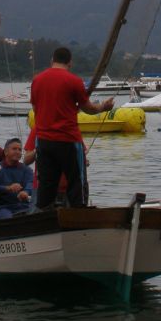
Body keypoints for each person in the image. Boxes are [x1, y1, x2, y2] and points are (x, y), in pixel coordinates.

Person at [29, 46, 112, 209]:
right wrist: (103, 107)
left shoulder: (37, 80)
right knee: (76, 182)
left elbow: (35, 108)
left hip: (44, 140)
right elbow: (88, 108)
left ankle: (43, 217)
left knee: (46, 182)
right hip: (67, 139)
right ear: (70, 63)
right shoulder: (74, 81)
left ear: (51, 60)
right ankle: (78, 215)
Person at [0, 138, 34, 219]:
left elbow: (31, 183)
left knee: (34, 214)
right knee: (6, 217)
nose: (18, 152)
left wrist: (26, 192)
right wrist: (8, 188)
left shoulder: (27, 170)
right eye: (14, 149)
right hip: (1, 208)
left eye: (19, 149)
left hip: (22, 206)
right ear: (5, 152)